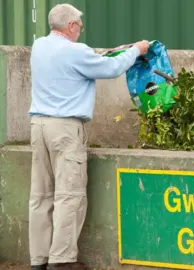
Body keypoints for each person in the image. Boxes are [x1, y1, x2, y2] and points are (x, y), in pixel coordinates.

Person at [27, 3, 149, 270]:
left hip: (38, 127)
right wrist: (136, 51)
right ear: (71, 25)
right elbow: (111, 69)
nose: (80, 31)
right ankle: (62, 260)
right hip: (65, 130)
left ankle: (39, 259)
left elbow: (83, 60)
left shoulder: (40, 48)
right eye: (79, 26)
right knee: (69, 194)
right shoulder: (75, 52)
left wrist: (109, 52)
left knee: (41, 194)